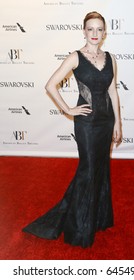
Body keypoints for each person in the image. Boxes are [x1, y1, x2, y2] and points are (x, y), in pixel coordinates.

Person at [22, 11, 122, 248]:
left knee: (100, 167)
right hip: (86, 124)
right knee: (87, 170)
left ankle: (98, 218)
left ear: (104, 32)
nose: (95, 34)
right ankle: (79, 228)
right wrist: (68, 110)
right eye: (91, 29)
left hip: (106, 122)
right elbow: (50, 85)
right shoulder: (75, 57)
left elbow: (112, 91)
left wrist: (118, 122)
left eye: (99, 29)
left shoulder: (111, 58)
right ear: (84, 31)